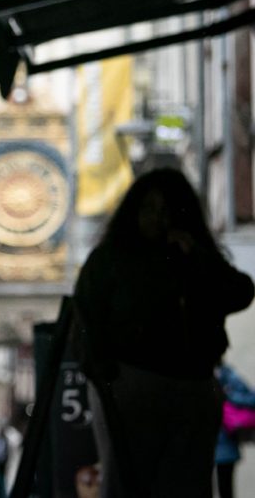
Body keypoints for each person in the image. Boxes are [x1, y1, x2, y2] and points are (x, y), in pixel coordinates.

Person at [73, 168, 254, 498]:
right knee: (126, 483)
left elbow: (239, 293)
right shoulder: (112, 259)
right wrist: (104, 375)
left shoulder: (191, 259)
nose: (158, 219)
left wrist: (198, 258)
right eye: (149, 209)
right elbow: (86, 318)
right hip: (130, 383)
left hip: (192, 386)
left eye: (167, 210)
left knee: (187, 485)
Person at [215, 363, 255, 498]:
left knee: (225, 487)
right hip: (207, 446)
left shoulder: (227, 375)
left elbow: (251, 398)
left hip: (225, 443)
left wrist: (229, 395)